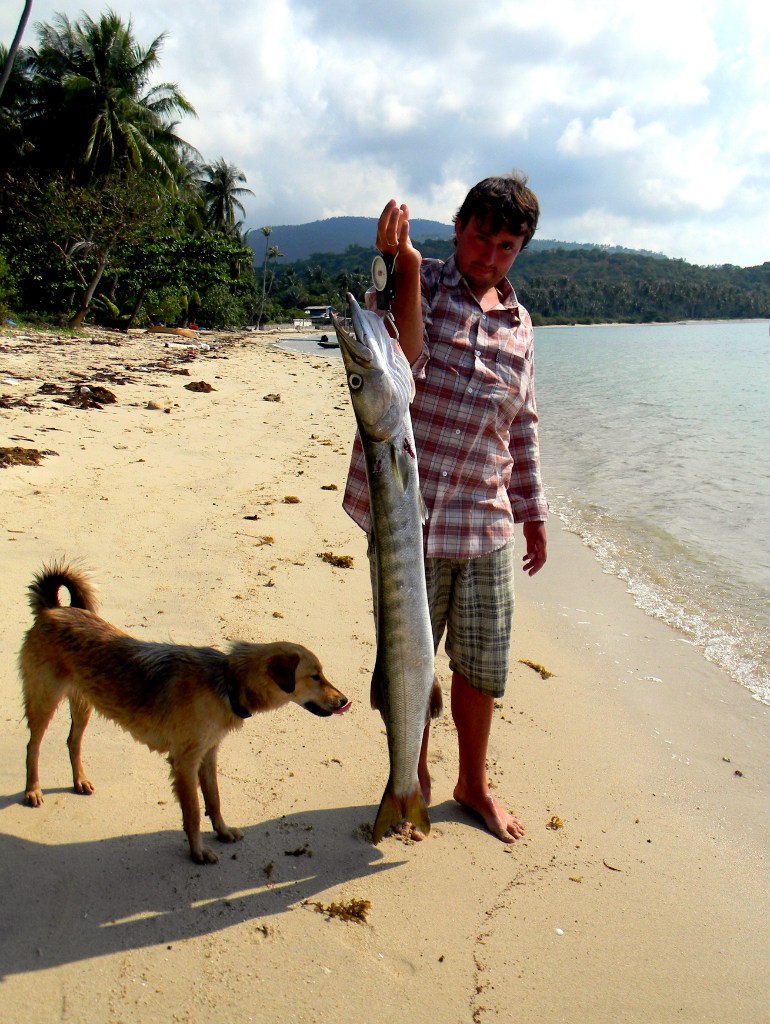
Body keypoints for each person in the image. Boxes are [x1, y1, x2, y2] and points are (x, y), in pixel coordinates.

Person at [343, 173, 548, 843]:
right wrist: (401, 263)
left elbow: (522, 425)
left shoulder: (521, 327)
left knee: (483, 667)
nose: (490, 256)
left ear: (520, 250)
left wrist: (535, 511)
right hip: (414, 521)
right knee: (409, 659)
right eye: (482, 238)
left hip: (485, 518)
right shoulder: (422, 283)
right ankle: (415, 778)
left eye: (507, 246)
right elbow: (397, 353)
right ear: (458, 226)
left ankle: (473, 784)